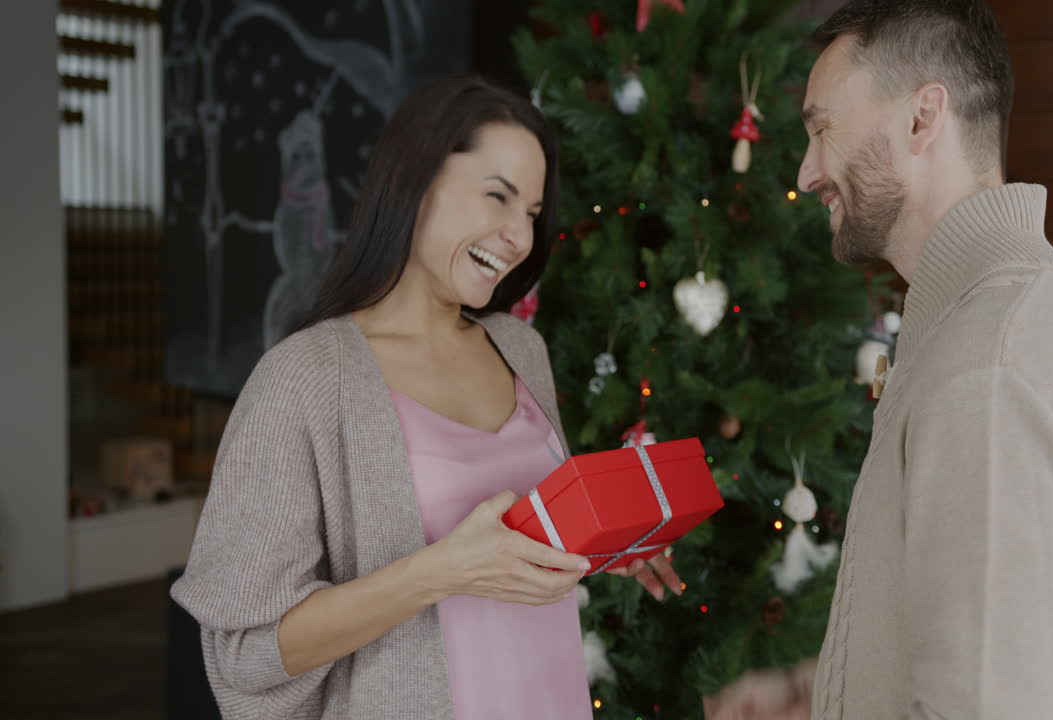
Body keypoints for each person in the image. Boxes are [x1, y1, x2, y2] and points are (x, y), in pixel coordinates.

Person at [171, 75, 681, 720]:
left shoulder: (522, 349)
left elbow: (518, 540)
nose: (519, 237)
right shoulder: (304, 377)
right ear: (414, 182)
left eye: (530, 213)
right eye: (497, 196)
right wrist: (441, 573)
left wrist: (606, 542)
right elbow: (245, 653)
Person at [704, 2, 1053, 718]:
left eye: (820, 128)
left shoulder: (987, 366)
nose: (808, 171)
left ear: (921, 119)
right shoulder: (992, 320)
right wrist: (819, 699)